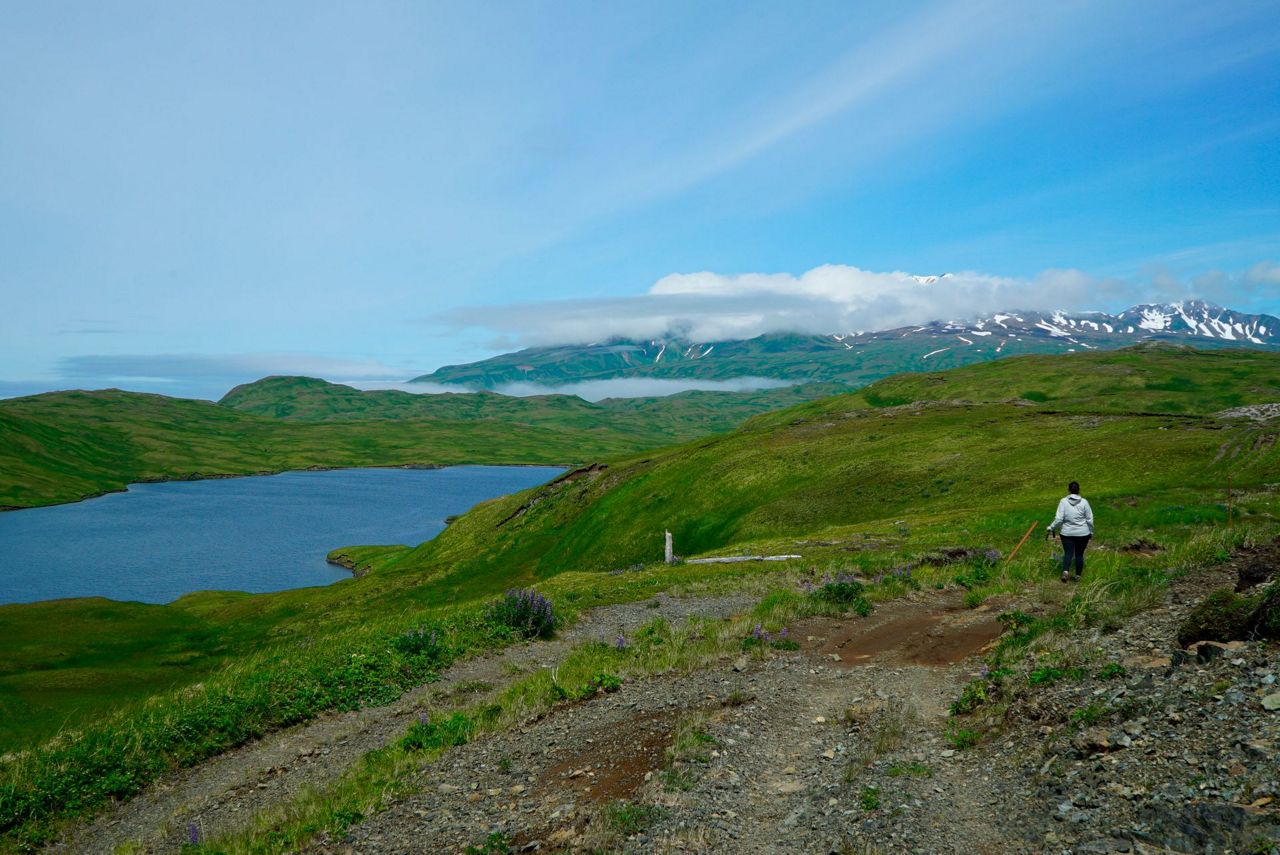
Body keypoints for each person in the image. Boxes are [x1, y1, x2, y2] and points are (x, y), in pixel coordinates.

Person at [1047, 481, 1093, 583]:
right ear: (1079, 490)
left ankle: (1066, 572)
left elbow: (1059, 519)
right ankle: (1078, 576)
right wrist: (1091, 531)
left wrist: (1051, 527)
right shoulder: (1084, 502)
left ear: (1068, 490)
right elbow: (1089, 519)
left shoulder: (1063, 501)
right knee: (1079, 554)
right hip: (1083, 533)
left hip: (1067, 533)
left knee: (1068, 553)